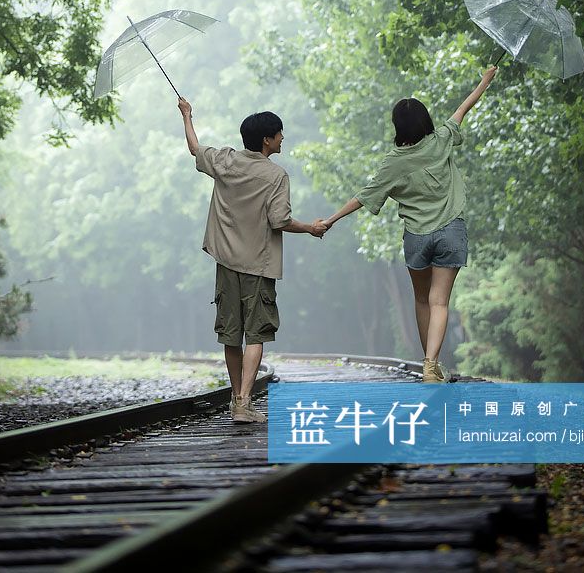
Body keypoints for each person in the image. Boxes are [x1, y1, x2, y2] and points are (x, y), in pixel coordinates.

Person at [314, 67, 498, 384]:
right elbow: (464, 108)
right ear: (426, 120)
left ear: (397, 126)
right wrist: (484, 81)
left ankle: (429, 362)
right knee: (440, 301)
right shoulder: (441, 139)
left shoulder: (393, 161)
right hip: (451, 232)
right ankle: (431, 364)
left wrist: (329, 221)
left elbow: (364, 196)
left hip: (417, 238)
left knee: (422, 299)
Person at [178, 96, 327, 423]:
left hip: (226, 264)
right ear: (266, 140)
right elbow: (280, 222)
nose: (282, 138)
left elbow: (194, 148)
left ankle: (238, 401)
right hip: (258, 266)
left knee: (231, 334)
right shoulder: (276, 176)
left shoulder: (226, 161)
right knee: (256, 333)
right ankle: (244, 402)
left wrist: (187, 115)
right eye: (279, 134)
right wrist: (311, 229)